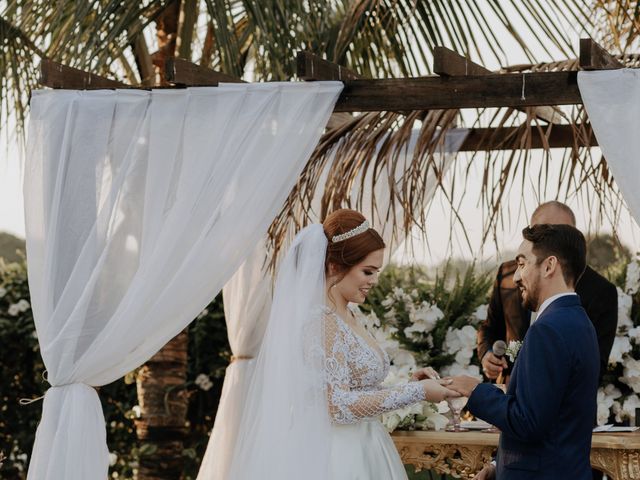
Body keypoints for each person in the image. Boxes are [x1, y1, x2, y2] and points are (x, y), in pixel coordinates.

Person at [226, 209, 459, 480]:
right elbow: (337, 405)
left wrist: (410, 384)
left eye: (376, 272)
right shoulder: (320, 323)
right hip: (336, 455)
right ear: (335, 267)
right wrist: (417, 392)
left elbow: (354, 388)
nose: (374, 281)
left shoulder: (349, 314)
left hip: (368, 445)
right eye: (367, 271)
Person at [450, 224, 600, 480]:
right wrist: (499, 466)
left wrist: (474, 390)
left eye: (522, 264)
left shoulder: (548, 329)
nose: (516, 277)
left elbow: (527, 421)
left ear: (549, 266)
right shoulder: (579, 321)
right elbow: (551, 417)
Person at [478, 201, 617, 385]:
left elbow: (593, 367)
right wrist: (487, 354)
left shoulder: (600, 291)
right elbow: (490, 327)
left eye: (560, 233)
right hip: (505, 387)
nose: (552, 241)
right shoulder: (508, 275)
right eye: (543, 234)